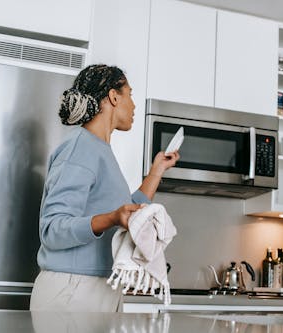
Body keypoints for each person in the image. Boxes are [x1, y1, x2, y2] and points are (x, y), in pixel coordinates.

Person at [29, 64, 180, 312]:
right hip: (72, 289)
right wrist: (111, 218)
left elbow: (126, 212)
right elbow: (52, 229)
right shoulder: (81, 148)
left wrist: (156, 172)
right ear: (113, 96)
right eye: (129, 95)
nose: (133, 104)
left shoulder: (99, 150)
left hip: (94, 288)